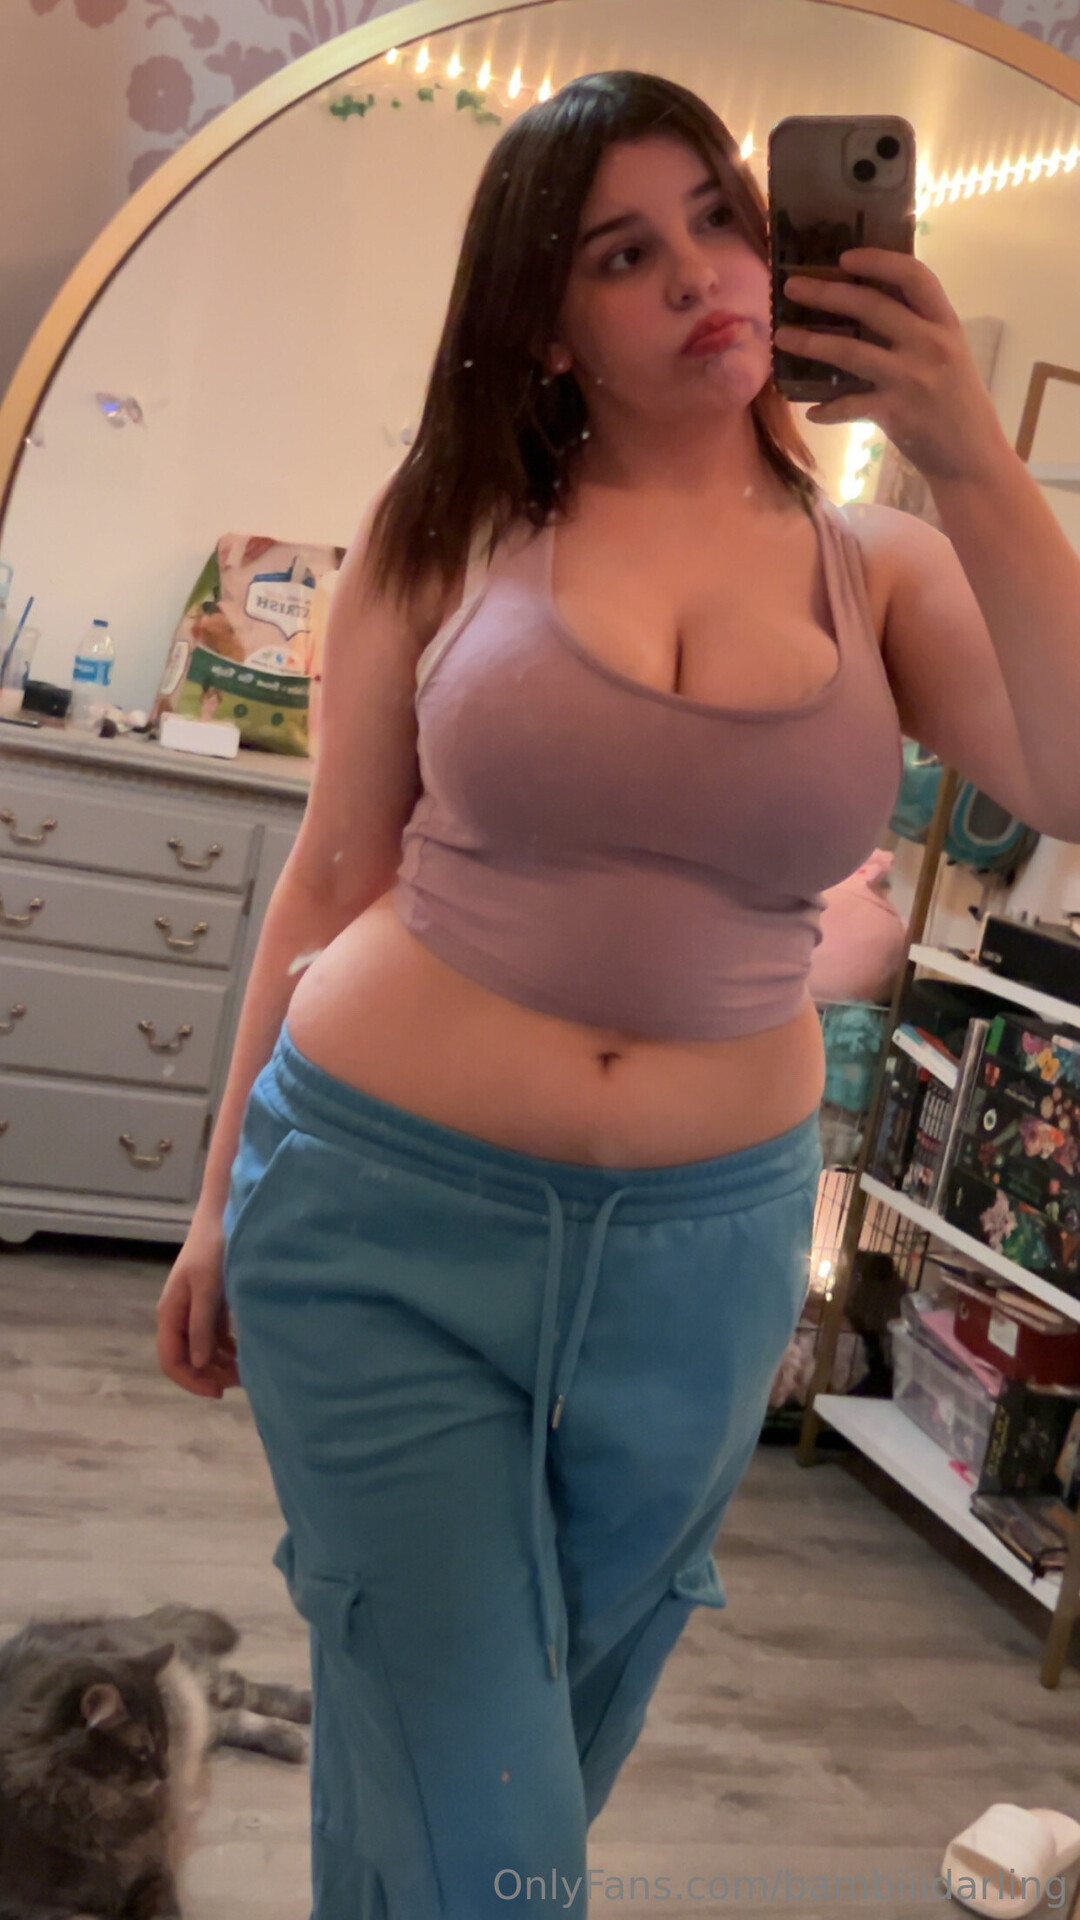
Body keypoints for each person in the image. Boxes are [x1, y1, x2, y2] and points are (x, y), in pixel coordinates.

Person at [157, 69, 1080, 1920]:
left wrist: (973, 454)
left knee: (535, 1735)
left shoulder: (884, 563)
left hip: (699, 1264)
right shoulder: (450, 521)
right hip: (380, 1212)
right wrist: (210, 1206)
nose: (698, 276)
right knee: (486, 1804)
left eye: (721, 221)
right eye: (623, 253)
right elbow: (331, 875)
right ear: (548, 325)